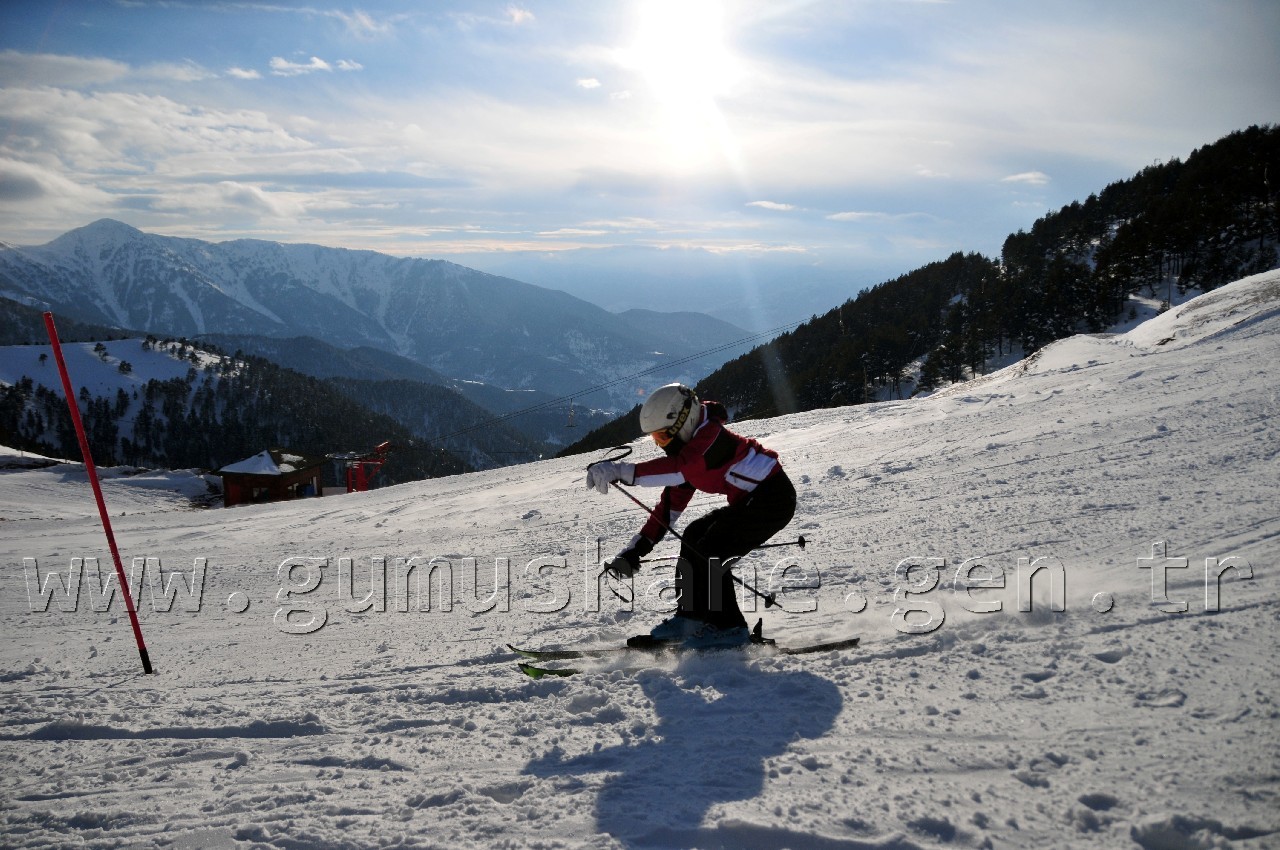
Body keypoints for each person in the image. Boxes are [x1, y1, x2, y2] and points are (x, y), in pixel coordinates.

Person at [586, 383, 797, 646]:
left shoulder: (709, 442)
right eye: (656, 439)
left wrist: (620, 471)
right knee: (694, 534)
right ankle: (690, 618)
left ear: (682, 423)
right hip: (749, 502)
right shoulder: (689, 454)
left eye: (662, 437)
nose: (661, 445)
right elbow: (667, 510)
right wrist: (635, 550)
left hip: (773, 500)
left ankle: (728, 628)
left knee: (713, 548)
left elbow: (680, 469)